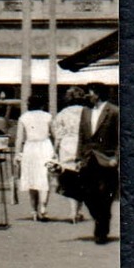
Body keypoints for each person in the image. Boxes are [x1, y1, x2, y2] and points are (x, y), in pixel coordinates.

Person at [77, 85, 120, 244]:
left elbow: (120, 137)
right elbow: (81, 136)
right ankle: (100, 217)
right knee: (87, 193)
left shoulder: (114, 111)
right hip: (89, 158)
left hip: (106, 159)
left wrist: (116, 157)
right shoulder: (86, 111)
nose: (88, 95)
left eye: (91, 92)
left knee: (105, 195)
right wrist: (78, 158)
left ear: (98, 94)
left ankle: (102, 230)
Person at [13, 95, 56, 221]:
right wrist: (56, 150)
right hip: (45, 146)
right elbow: (55, 135)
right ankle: (43, 207)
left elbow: (19, 138)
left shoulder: (24, 117)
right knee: (44, 177)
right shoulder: (48, 116)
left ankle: (33, 211)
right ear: (43, 104)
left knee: (31, 178)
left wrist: (17, 153)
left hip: (30, 148)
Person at [50, 86, 89, 223]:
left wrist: (55, 151)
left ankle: (73, 212)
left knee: (70, 180)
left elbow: (58, 136)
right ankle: (78, 211)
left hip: (66, 147)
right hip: (83, 148)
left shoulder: (61, 114)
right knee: (82, 180)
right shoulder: (88, 112)